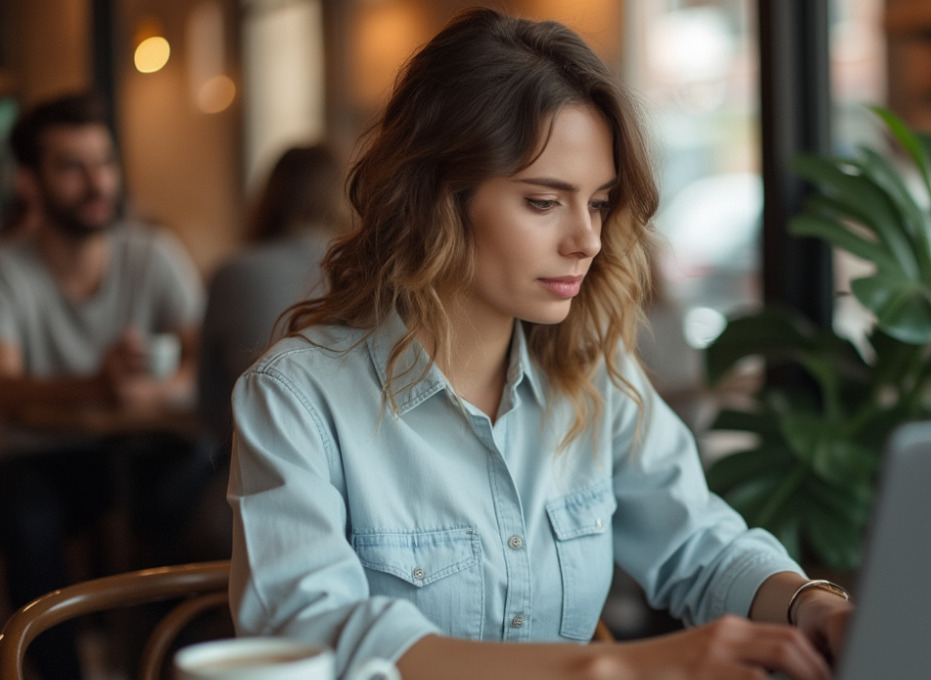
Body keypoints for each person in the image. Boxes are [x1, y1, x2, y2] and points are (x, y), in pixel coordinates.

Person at [228, 9, 853, 680]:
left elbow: (700, 543)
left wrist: (811, 607)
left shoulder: (592, 372)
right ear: (438, 198)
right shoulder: (296, 399)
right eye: (544, 201)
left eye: (599, 202)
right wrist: (612, 668)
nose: (586, 239)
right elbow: (319, 639)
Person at [0, 91, 204, 680]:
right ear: (30, 182)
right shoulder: (10, 270)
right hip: (43, 457)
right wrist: (95, 383)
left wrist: (158, 393)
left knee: (198, 480)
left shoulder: (153, 252)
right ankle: (64, 671)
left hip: (141, 446)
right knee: (27, 518)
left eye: (104, 162)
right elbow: (6, 388)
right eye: (72, 166)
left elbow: (203, 359)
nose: (97, 182)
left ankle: (154, 660)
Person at [194, 143, 348, 557]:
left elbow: (210, 411)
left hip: (251, 493)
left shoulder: (233, 272)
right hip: (360, 497)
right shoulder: (367, 271)